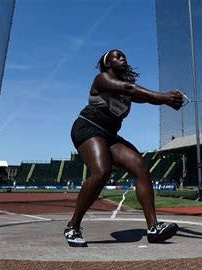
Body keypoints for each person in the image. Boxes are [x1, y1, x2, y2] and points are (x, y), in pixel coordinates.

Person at [64, 49, 183, 247]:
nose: (123, 58)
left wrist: (168, 101)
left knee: (139, 166)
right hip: (87, 128)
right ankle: (73, 226)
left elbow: (142, 96)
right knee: (102, 171)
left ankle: (153, 228)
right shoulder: (102, 79)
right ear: (108, 64)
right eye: (117, 56)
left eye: (124, 56)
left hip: (109, 136)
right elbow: (129, 88)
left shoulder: (128, 90)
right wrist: (165, 98)